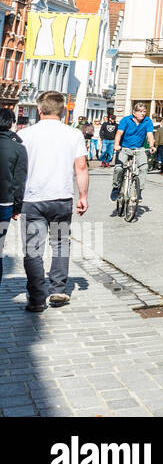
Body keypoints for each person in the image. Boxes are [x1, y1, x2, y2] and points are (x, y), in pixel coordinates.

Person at [17, 91, 88, 311]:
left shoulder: (25, 135)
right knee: (60, 244)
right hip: (61, 198)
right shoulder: (73, 134)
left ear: (39, 110)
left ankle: (37, 298)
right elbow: (81, 167)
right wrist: (83, 195)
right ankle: (58, 289)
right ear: (63, 110)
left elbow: (18, 170)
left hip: (32, 199)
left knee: (32, 249)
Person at [0, 108, 28, 290]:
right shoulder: (18, 149)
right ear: (11, 124)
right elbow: (19, 183)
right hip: (4, 203)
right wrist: (18, 208)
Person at [112, 103, 156, 212]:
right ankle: (116, 187)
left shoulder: (147, 121)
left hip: (139, 149)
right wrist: (116, 145)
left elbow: (150, 134)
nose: (142, 113)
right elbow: (119, 133)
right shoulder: (125, 120)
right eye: (140, 111)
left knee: (144, 168)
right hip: (124, 148)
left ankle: (138, 191)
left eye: (144, 111)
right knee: (119, 168)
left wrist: (151, 146)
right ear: (134, 112)